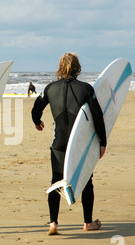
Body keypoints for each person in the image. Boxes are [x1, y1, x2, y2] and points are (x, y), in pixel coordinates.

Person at [31, 53, 107, 235]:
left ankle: (53, 224)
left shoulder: (50, 88)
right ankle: (88, 222)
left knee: (56, 181)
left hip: (58, 145)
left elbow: (36, 107)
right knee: (87, 181)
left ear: (60, 67)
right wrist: (102, 141)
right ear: (77, 67)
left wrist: (37, 121)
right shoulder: (86, 89)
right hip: (79, 144)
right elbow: (97, 116)